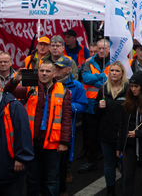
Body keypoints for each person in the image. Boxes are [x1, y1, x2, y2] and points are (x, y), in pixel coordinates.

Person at [6, 61, 72, 196]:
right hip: (32, 142)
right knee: (32, 179)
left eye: (48, 71)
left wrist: (64, 142)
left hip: (52, 143)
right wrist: (14, 80)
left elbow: (66, 117)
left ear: (54, 73)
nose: (44, 73)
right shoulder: (30, 86)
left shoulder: (63, 90)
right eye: (42, 70)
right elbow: (8, 93)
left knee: (51, 179)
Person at [54, 56, 87, 196]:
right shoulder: (49, 83)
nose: (57, 70)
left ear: (68, 70)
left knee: (64, 155)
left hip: (67, 128)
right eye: (56, 67)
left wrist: (67, 106)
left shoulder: (77, 86)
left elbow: (83, 106)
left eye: (61, 68)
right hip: (51, 129)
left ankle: (65, 172)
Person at [95, 62, 128, 196]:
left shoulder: (128, 90)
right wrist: (99, 106)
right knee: (109, 163)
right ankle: (111, 190)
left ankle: (126, 187)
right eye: (112, 70)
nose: (114, 73)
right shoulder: (104, 89)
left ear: (122, 73)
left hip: (123, 134)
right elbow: (95, 111)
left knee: (124, 164)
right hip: (106, 134)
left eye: (117, 71)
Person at [79, 38, 111, 172]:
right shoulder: (89, 62)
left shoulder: (114, 62)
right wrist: (102, 76)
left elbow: (114, 80)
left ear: (109, 49)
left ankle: (108, 158)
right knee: (92, 134)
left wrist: (96, 77)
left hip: (109, 104)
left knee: (108, 133)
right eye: (99, 48)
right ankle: (91, 160)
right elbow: (85, 78)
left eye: (104, 48)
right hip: (92, 105)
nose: (101, 51)